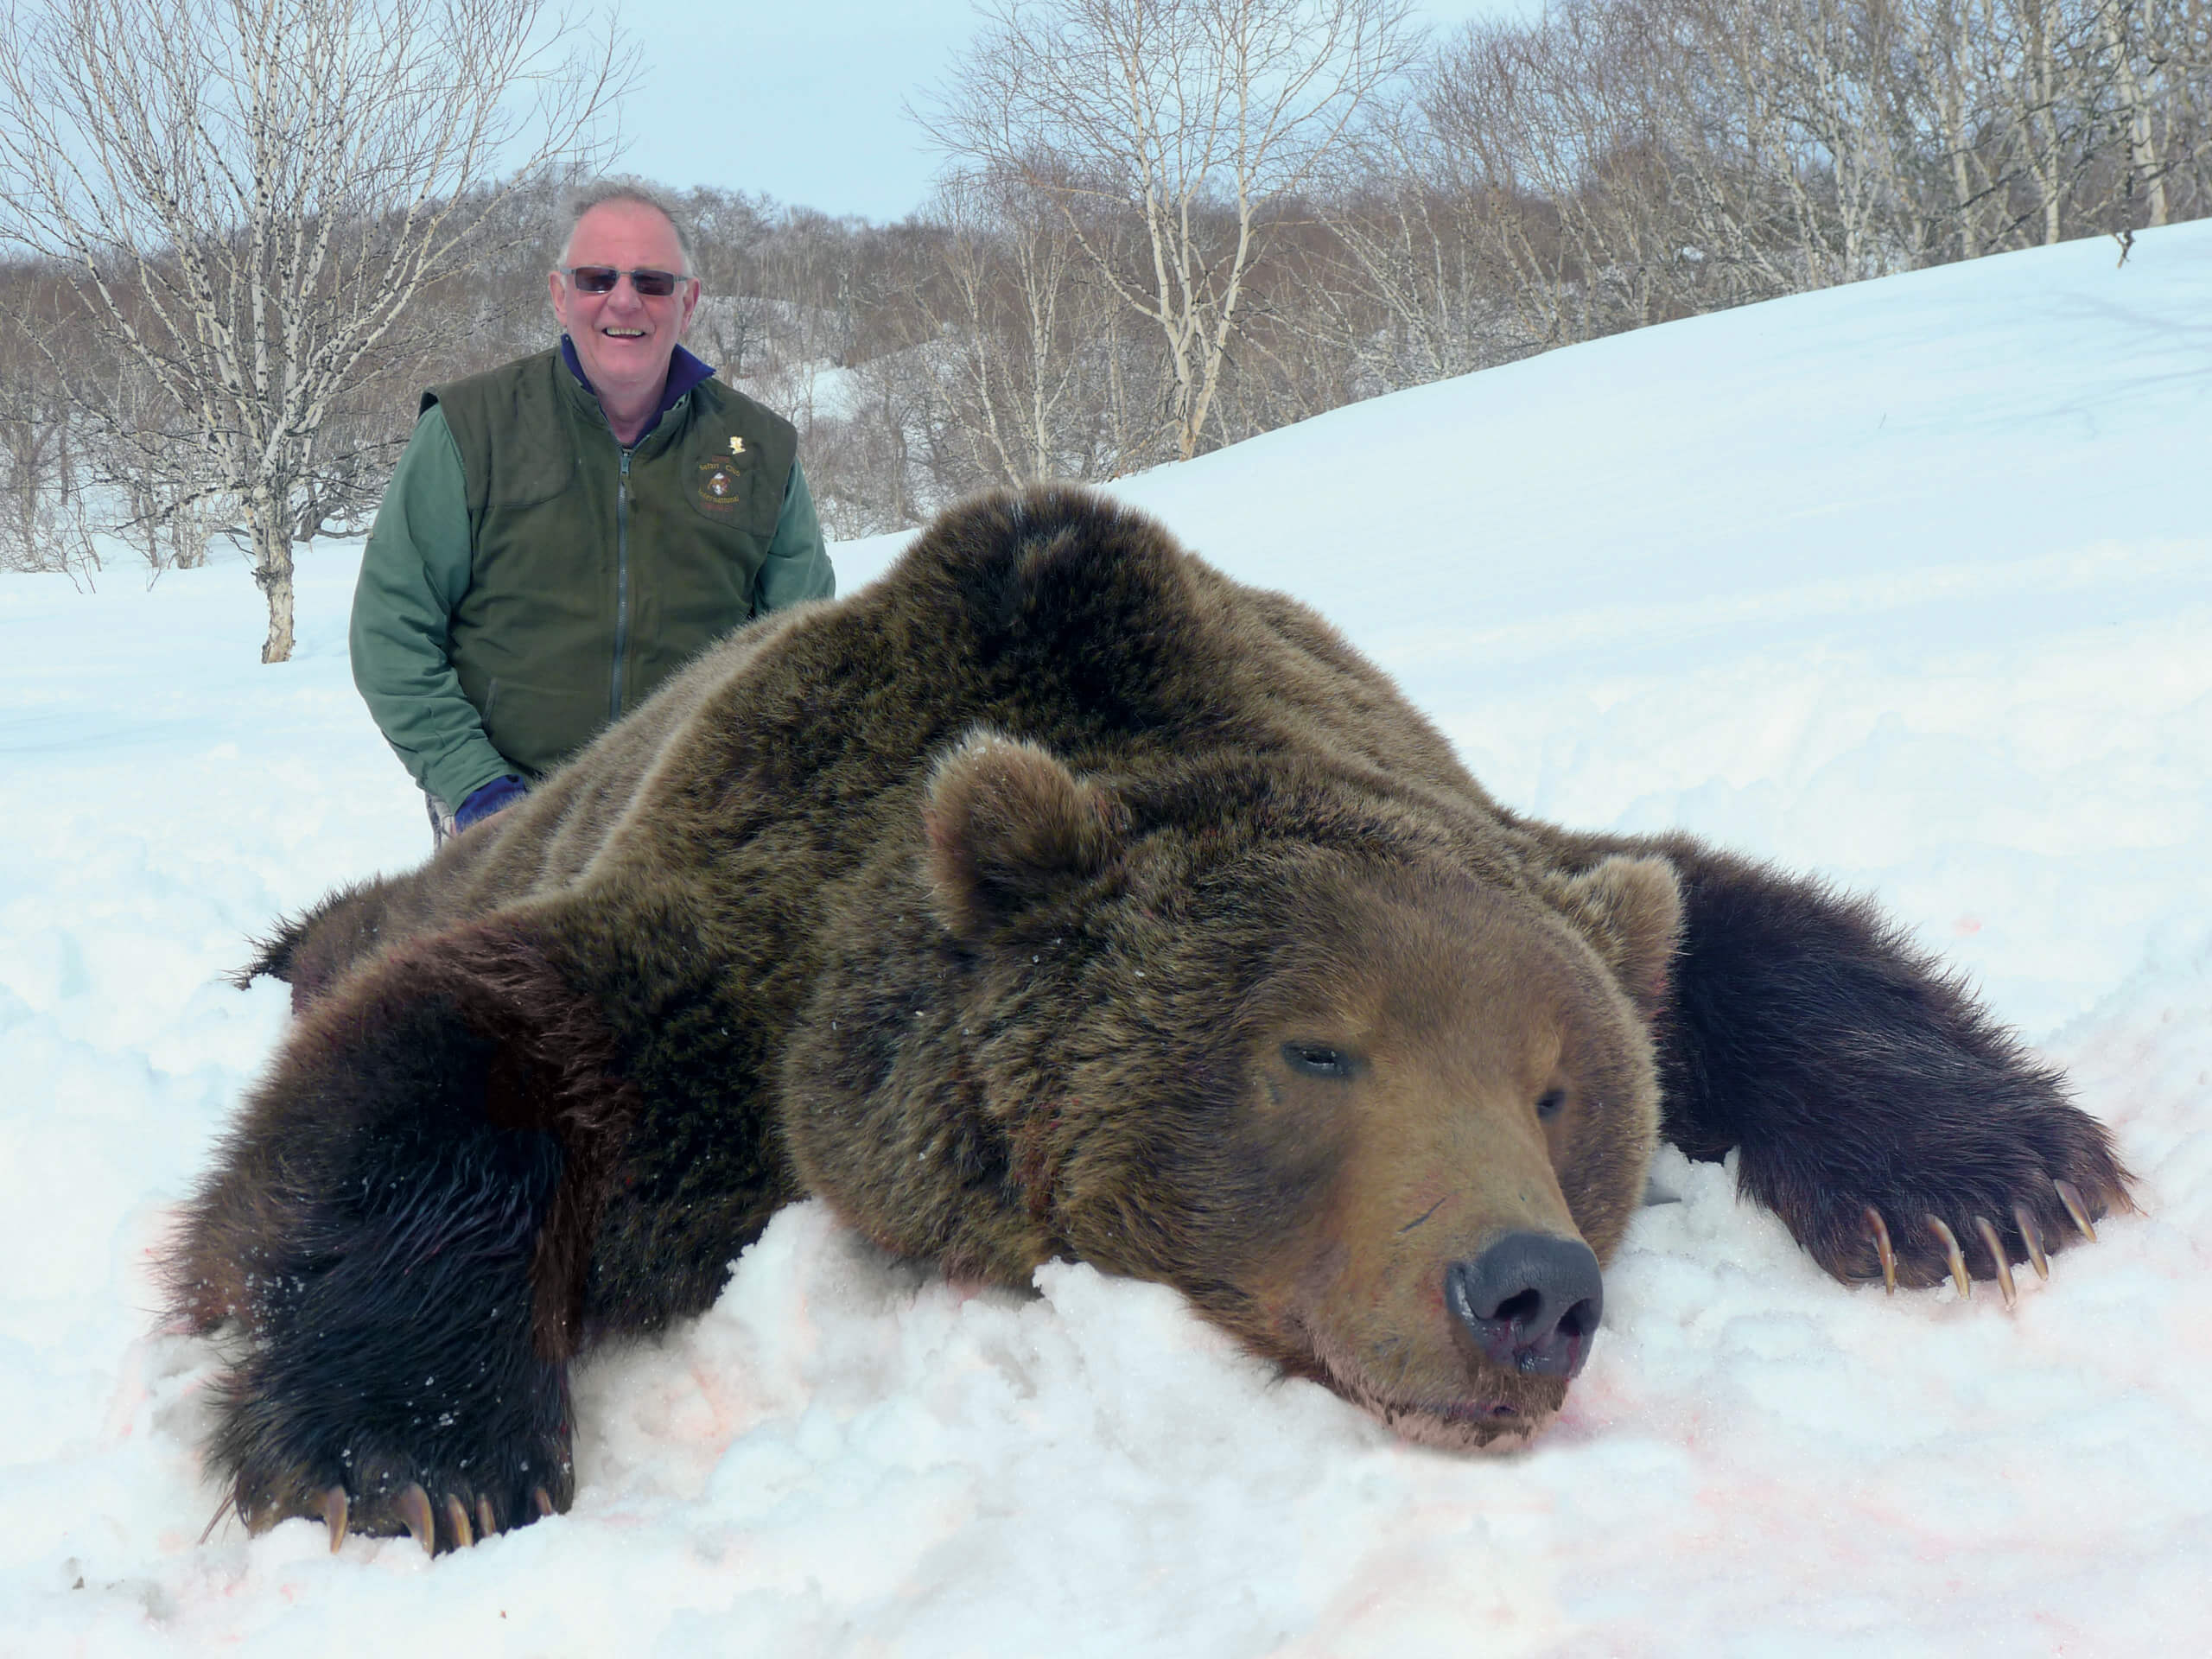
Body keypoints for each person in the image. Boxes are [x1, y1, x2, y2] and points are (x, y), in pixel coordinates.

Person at [350, 181, 835, 842]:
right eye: (597, 277)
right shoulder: (469, 430)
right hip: (507, 817)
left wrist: (750, 793)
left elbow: (801, 652)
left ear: (687, 302)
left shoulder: (760, 450)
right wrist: (477, 789)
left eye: (653, 282)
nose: (624, 299)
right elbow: (392, 633)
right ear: (559, 295)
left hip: (696, 826)